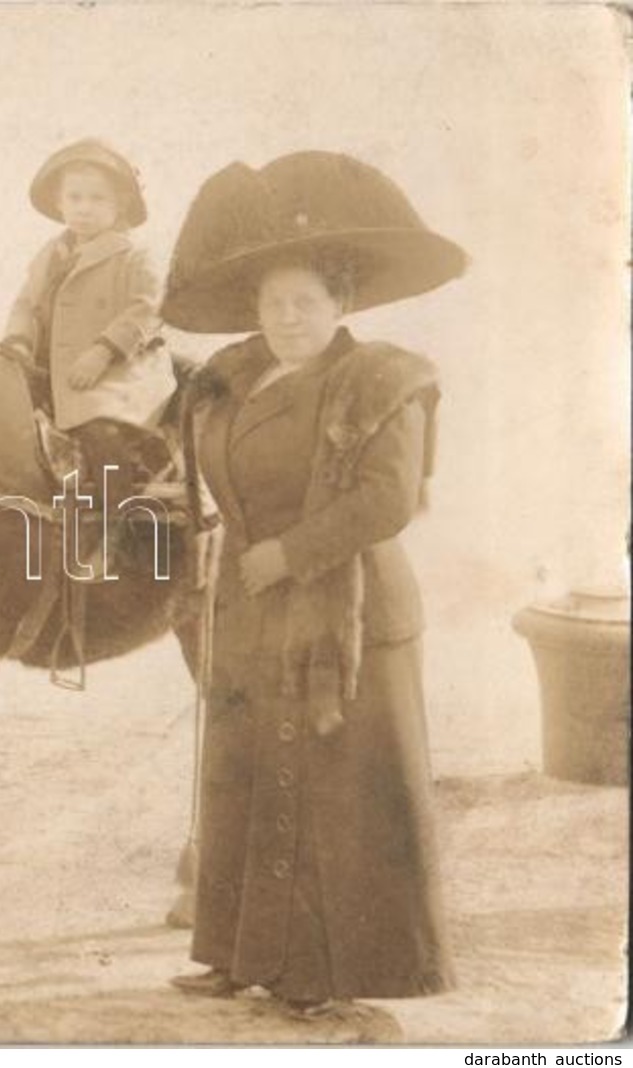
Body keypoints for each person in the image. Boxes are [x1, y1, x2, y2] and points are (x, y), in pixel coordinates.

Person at [159, 150, 467, 1017]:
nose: (286, 316)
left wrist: (287, 555)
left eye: (305, 301)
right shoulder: (233, 379)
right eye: (271, 301)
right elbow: (215, 476)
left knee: (337, 798)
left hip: (350, 611)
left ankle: (333, 978)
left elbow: (386, 500)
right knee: (242, 779)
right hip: (254, 612)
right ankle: (234, 956)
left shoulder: (379, 381)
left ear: (341, 304)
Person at [0, 138, 177, 499]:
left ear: (121, 204)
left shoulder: (133, 253)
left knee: (101, 435)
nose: (84, 208)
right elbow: (24, 305)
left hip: (117, 378)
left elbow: (150, 305)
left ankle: (119, 522)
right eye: (75, 198)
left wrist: (103, 350)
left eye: (98, 199)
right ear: (59, 203)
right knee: (3, 427)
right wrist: (17, 340)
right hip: (52, 376)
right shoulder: (51, 256)